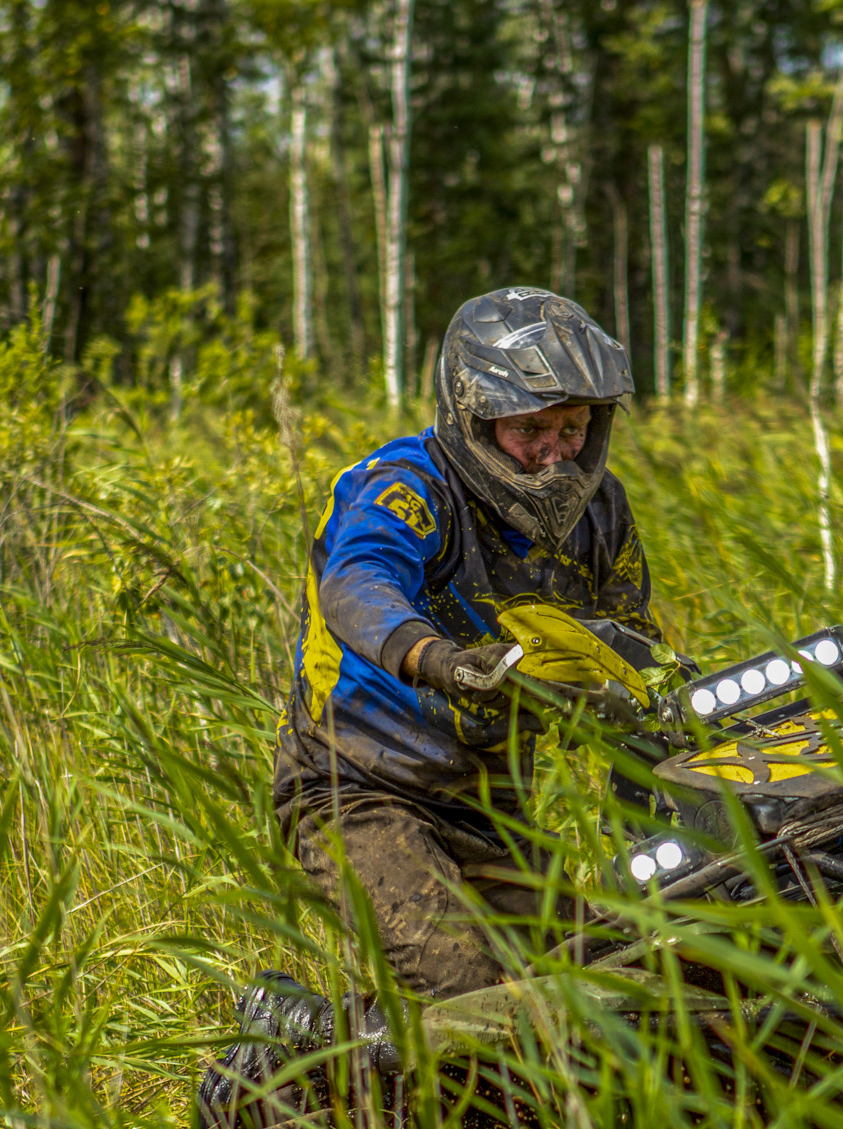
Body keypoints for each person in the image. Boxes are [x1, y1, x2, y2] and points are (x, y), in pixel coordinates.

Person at [272, 284, 667, 1002]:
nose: (554, 457)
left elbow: (638, 652)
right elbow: (356, 584)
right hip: (357, 788)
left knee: (609, 977)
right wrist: (439, 661)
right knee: (465, 985)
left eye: (573, 430)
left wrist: (634, 735)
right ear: (474, 420)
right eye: (531, 432)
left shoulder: (601, 512)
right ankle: (303, 1049)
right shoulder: (410, 486)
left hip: (491, 807)